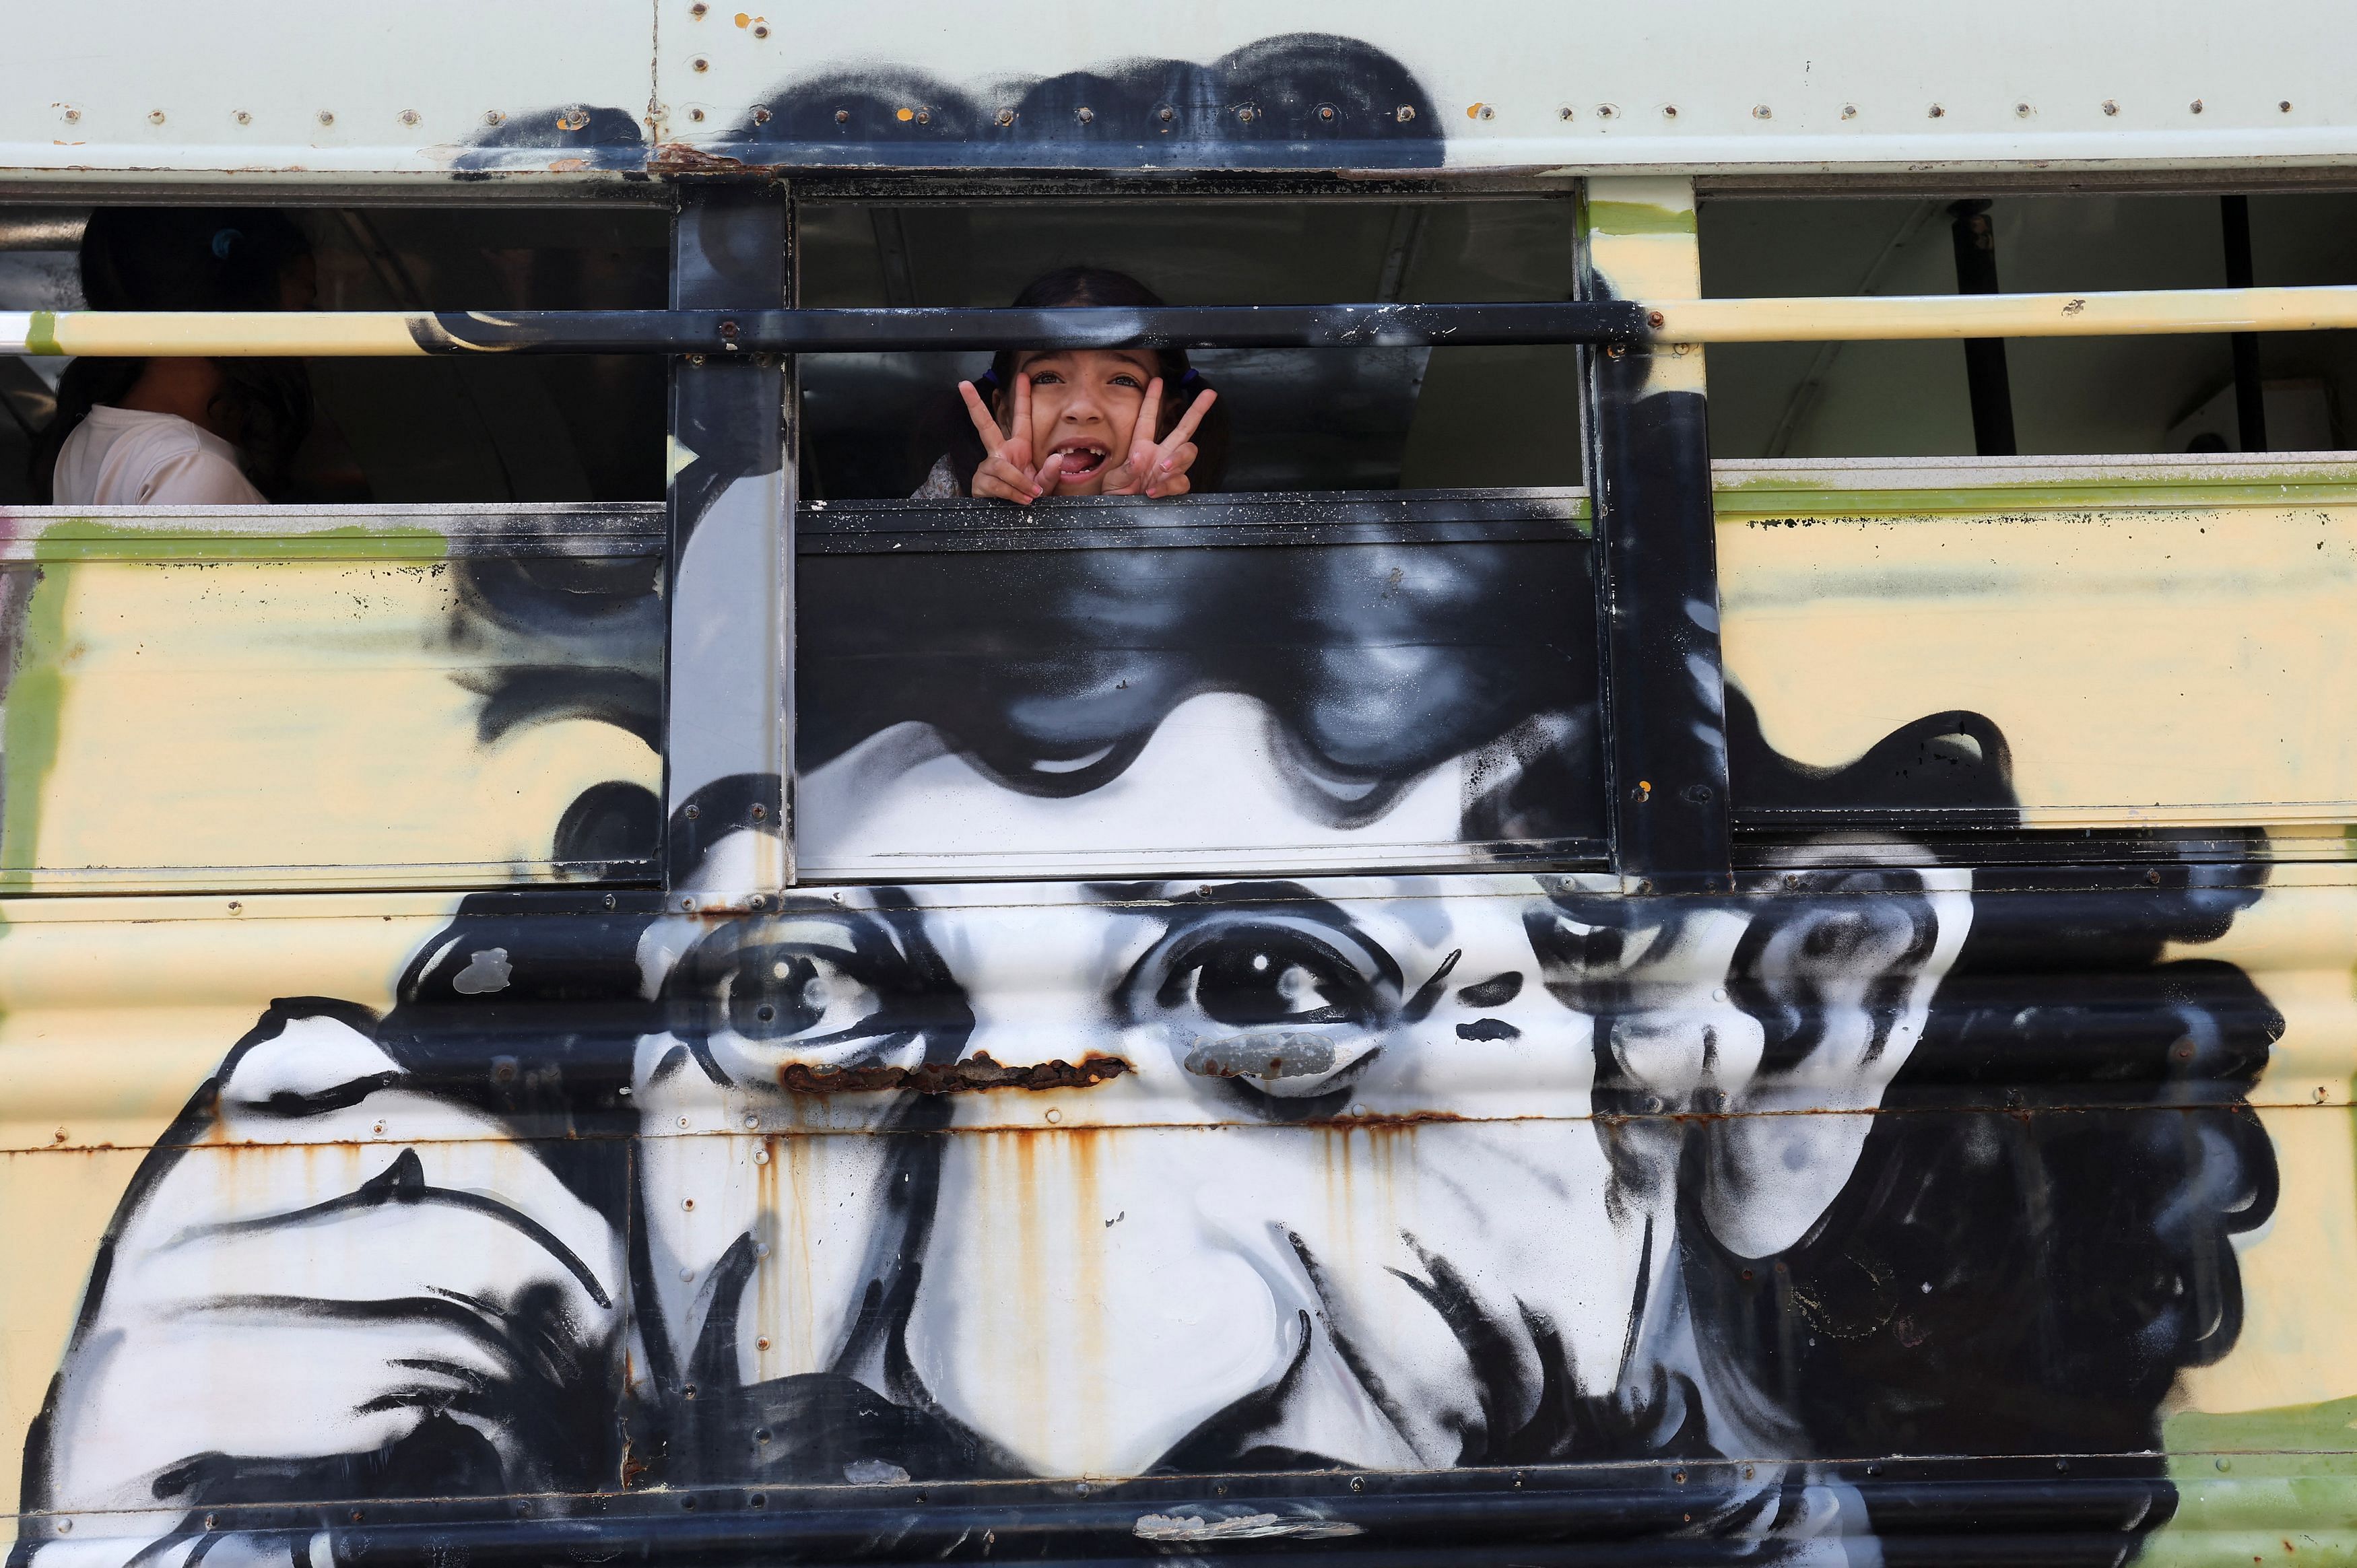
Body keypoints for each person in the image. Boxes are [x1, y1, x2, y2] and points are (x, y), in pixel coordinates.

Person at [30, 207, 315, 506]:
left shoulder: (91, 440)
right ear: (240, 304)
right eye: (303, 311)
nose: (316, 344)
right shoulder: (194, 468)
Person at [909, 266, 1225, 502]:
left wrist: (1136, 518)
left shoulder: (1202, 518)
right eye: (1048, 378)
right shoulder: (955, 492)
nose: (1082, 408)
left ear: (1167, 420)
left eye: (1122, 380)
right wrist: (992, 521)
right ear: (1003, 412)